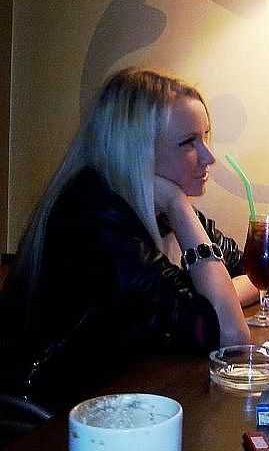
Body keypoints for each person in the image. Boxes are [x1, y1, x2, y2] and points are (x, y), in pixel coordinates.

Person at [0, 68, 255, 411]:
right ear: (137, 150)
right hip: (52, 418)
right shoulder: (96, 215)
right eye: (188, 142)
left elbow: (251, 275)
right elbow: (230, 335)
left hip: (120, 399)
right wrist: (179, 205)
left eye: (206, 136)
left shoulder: (154, 208)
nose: (209, 156)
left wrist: (214, 298)